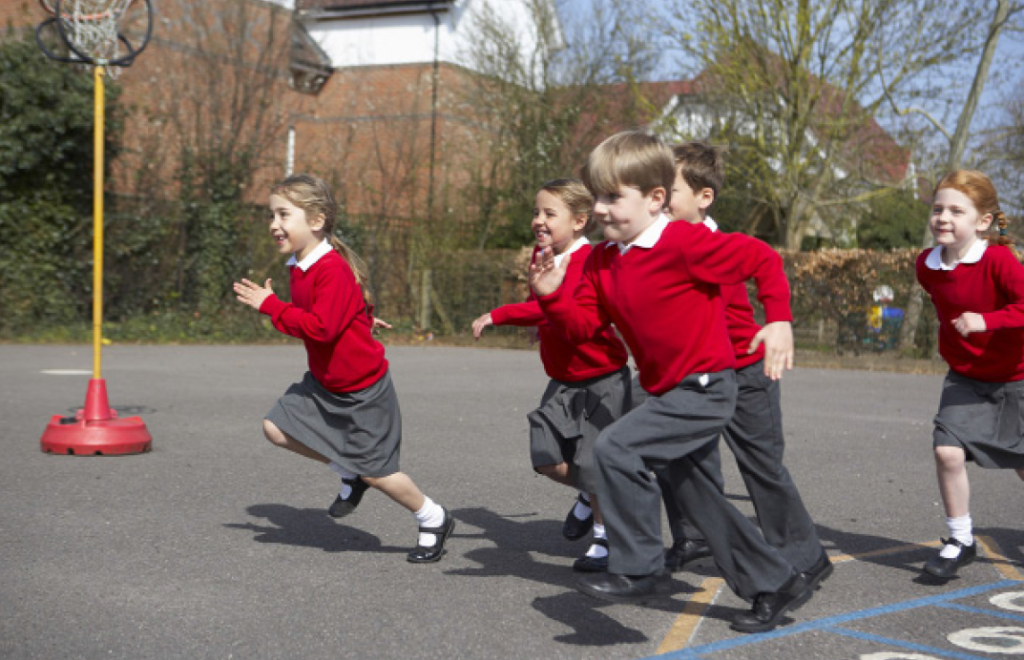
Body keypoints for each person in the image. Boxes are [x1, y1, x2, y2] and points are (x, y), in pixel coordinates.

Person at [529, 130, 813, 634]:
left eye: (613, 197)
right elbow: (583, 329)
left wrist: (780, 319)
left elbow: (762, 260)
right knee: (699, 497)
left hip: (705, 387)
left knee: (616, 449)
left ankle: (639, 566)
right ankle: (774, 580)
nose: (598, 208)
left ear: (655, 199)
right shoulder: (602, 261)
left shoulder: (686, 243)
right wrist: (551, 297)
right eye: (596, 196)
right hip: (665, 390)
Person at [233, 173, 454, 564]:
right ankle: (348, 471)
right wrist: (363, 317)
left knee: (379, 474)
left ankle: (433, 517)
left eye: (284, 214)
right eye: (271, 215)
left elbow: (320, 327)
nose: (274, 224)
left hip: (362, 390)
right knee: (275, 427)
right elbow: (331, 311)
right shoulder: (299, 264)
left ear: (316, 220)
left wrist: (270, 306)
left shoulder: (329, 267)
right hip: (325, 383)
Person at [657, 142, 832, 589]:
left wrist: (778, 320)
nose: (658, 197)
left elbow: (766, 264)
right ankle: (693, 537)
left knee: (761, 466)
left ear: (704, 197)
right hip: (697, 373)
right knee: (682, 457)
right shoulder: (658, 244)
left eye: (669, 189)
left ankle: (805, 556)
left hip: (747, 372)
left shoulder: (716, 246)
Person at [472, 178, 632, 573]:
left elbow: (553, 308)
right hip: (562, 378)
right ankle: (590, 492)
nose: (538, 220)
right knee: (545, 458)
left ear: (579, 221)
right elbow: (539, 301)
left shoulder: (588, 261)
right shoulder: (542, 255)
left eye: (549, 213)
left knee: (594, 462)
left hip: (601, 378)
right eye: (536, 212)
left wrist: (500, 315)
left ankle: (604, 538)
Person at [916, 169, 1024, 580]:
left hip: (1016, 376)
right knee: (947, 451)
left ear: (982, 222)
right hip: (965, 377)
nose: (943, 217)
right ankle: (961, 540)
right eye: (938, 208)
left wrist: (987, 321)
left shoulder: (998, 260)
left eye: (956, 211)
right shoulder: (926, 265)